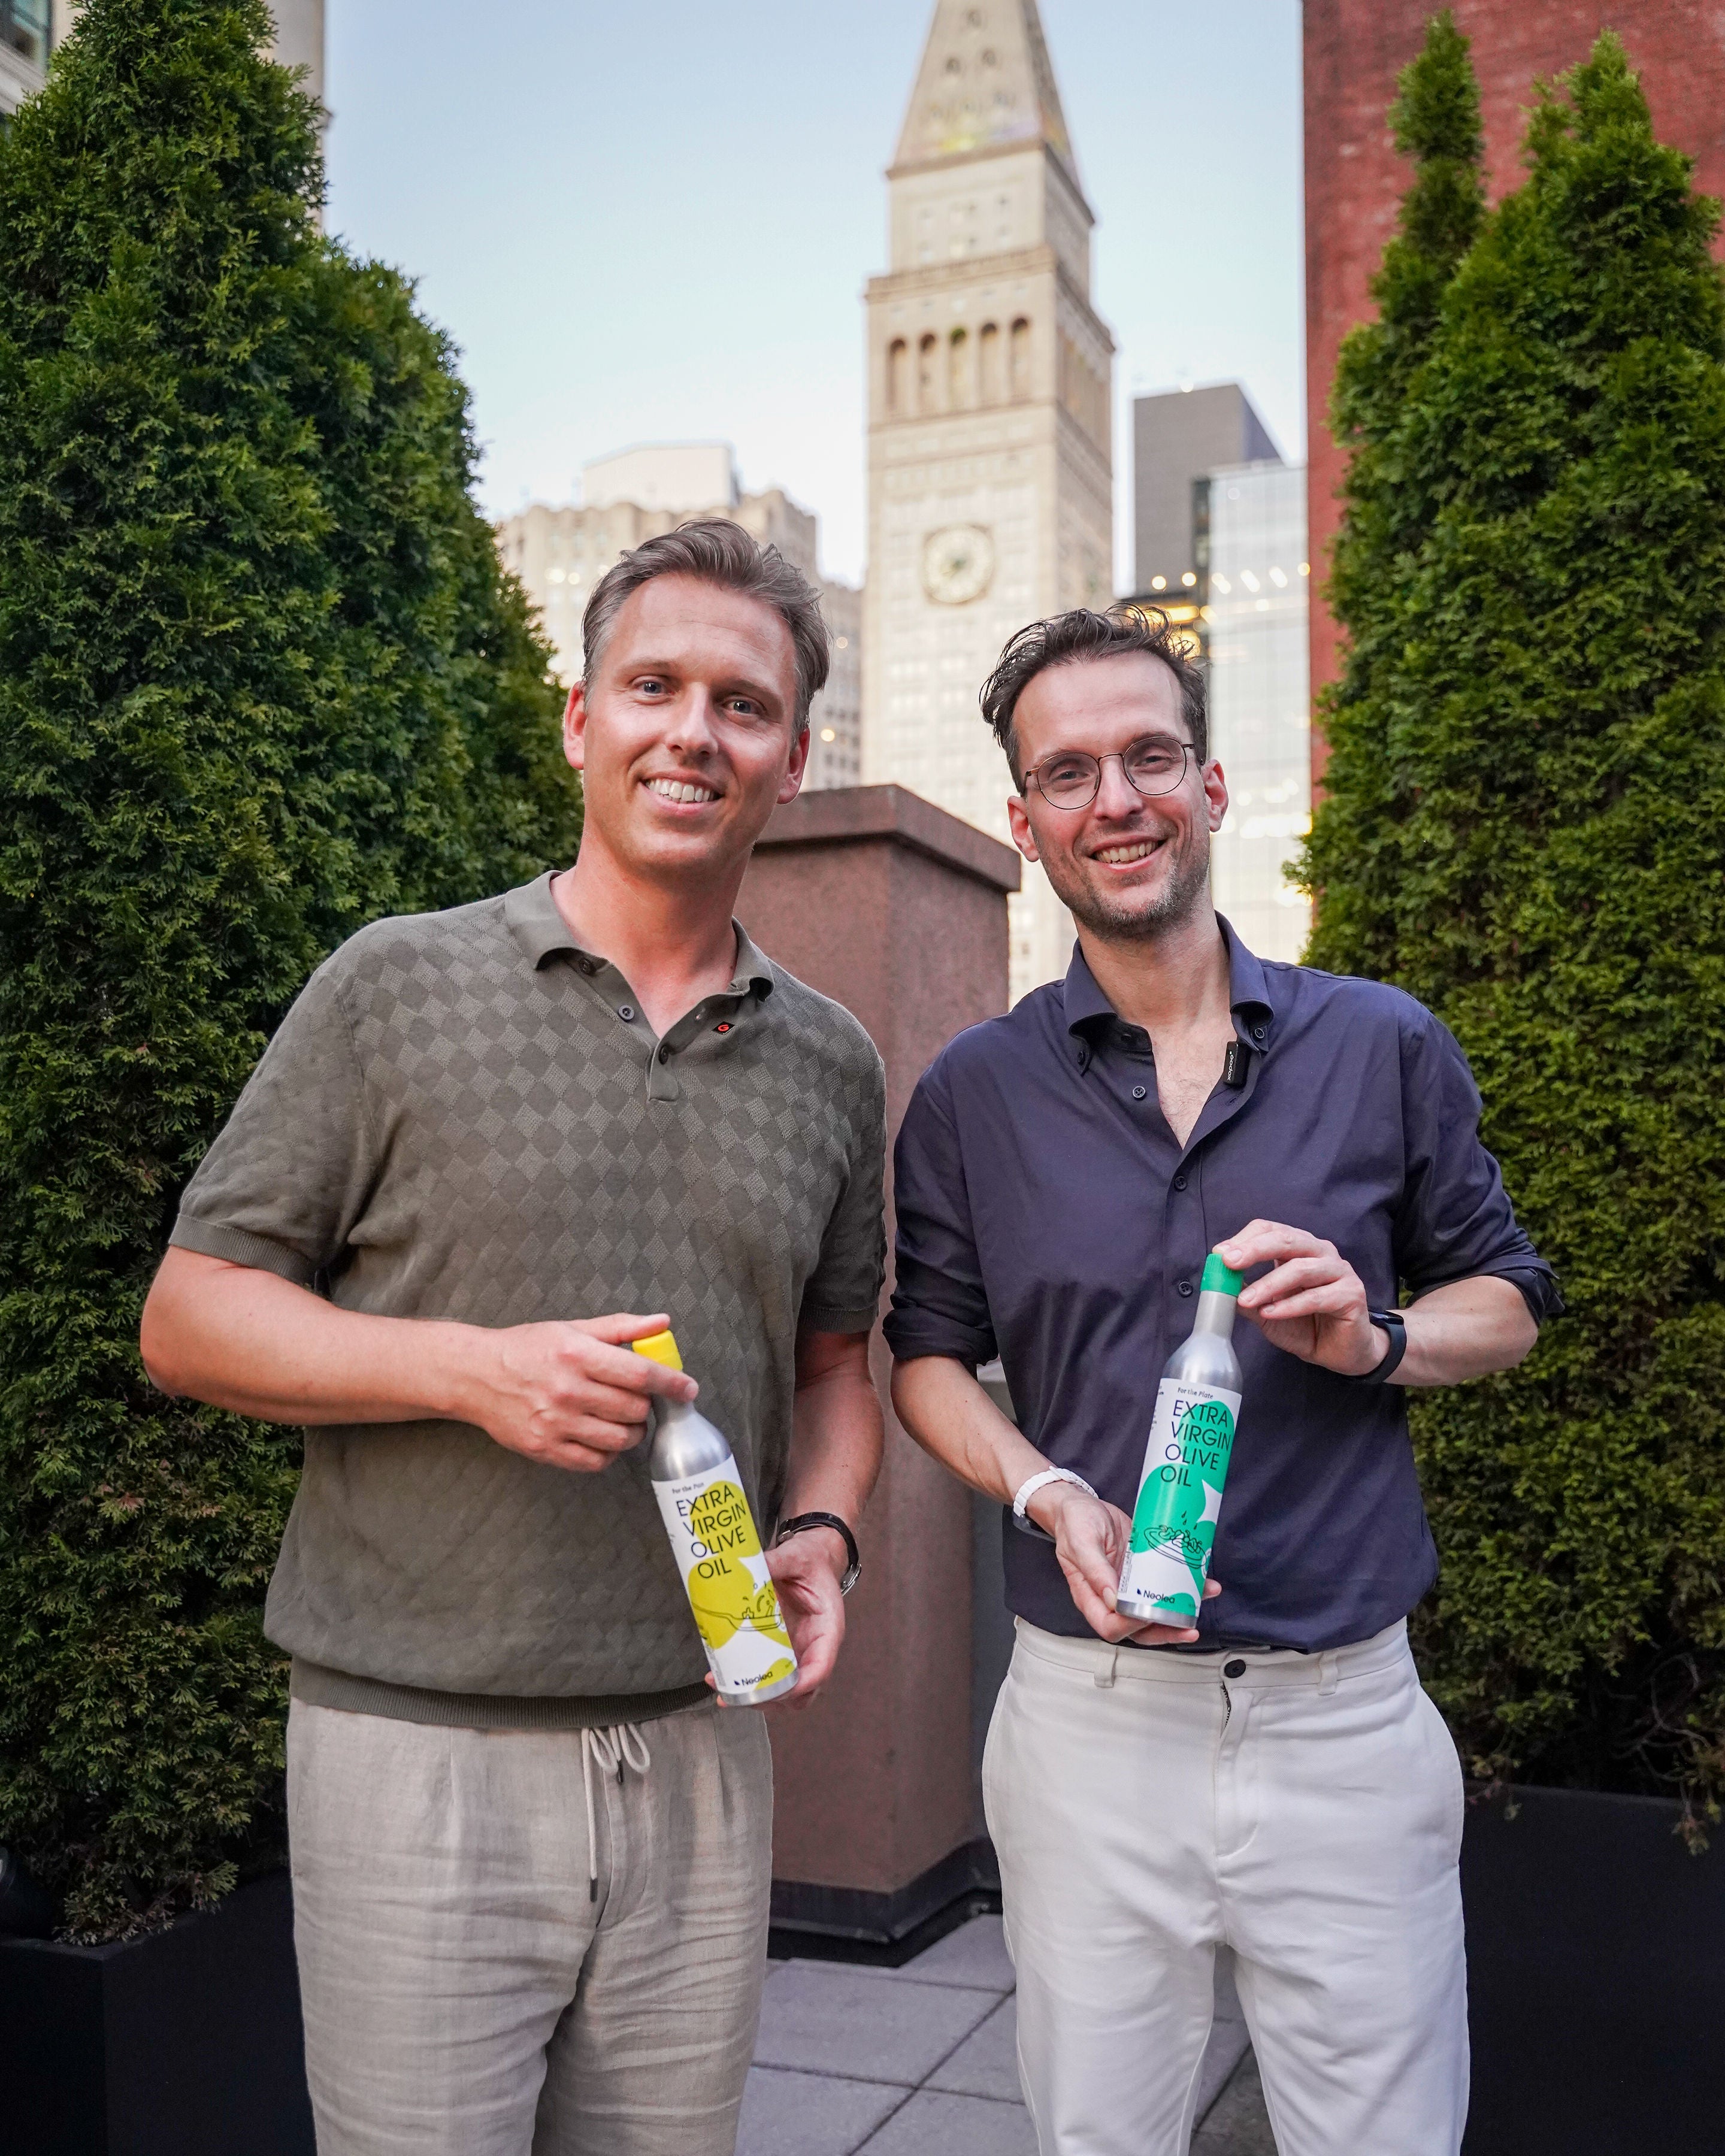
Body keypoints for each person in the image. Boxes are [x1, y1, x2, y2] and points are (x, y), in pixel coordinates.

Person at [140, 520, 887, 2156]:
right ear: (580, 719)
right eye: (655, 687)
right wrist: (471, 1372)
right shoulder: (392, 988)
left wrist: (825, 1529)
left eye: (742, 705)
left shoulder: (831, 1061)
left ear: (794, 757)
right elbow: (189, 1317)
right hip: (419, 1757)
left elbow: (838, 1365)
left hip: (705, 1747)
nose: (694, 731)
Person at [885, 607, 1560, 2156]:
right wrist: (1043, 1486)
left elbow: (1508, 1300)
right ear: (1025, 821)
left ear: (1213, 785)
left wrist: (1378, 1338)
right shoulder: (973, 1096)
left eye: (1149, 757)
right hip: (1090, 1728)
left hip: (1344, 1720)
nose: (1114, 799)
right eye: (1069, 773)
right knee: (1097, 2138)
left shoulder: (1381, 1045)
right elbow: (927, 1358)